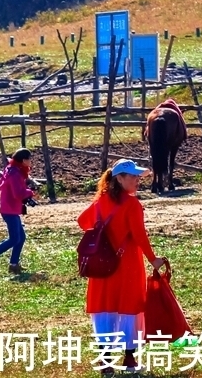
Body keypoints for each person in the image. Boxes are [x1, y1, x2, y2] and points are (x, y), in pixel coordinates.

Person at [77, 159, 166, 374]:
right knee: (130, 309)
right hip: (127, 264)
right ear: (119, 178)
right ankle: (129, 361)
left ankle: (106, 363)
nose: (137, 180)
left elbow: (82, 221)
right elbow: (139, 236)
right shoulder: (132, 204)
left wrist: (104, 233)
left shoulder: (100, 201)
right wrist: (153, 259)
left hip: (101, 265)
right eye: (133, 176)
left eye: (137, 176)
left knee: (104, 309)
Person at [0, 148, 36, 274]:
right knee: (14, 239)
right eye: (29, 159)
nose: (31, 161)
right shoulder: (15, 173)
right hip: (10, 209)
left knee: (21, 237)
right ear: (23, 160)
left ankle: (14, 264)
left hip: (9, 208)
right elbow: (18, 193)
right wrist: (30, 192)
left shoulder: (10, 169)